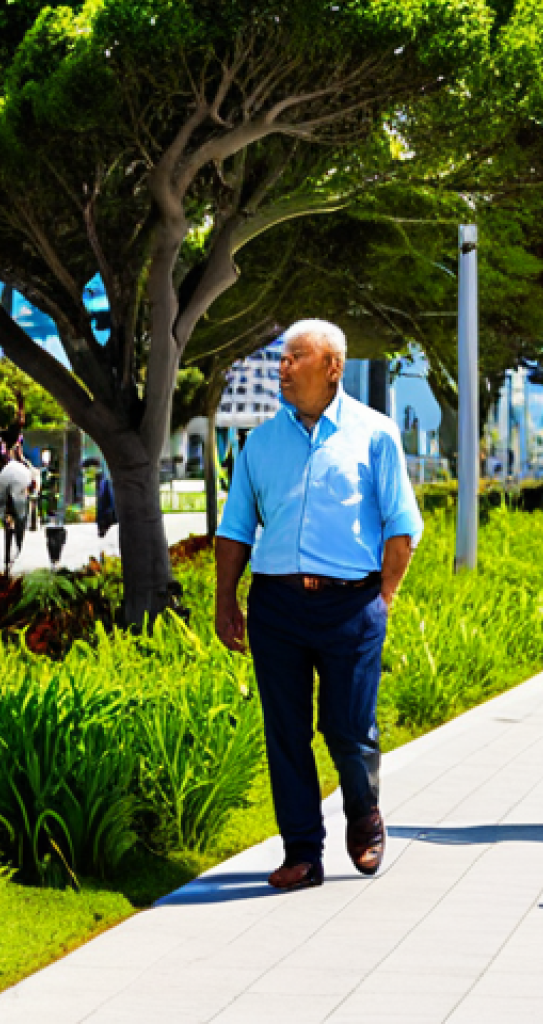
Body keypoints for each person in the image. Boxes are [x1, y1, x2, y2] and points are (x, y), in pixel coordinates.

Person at [215, 319, 423, 892]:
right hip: (276, 604)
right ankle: (303, 852)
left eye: (295, 358)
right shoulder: (259, 442)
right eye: (281, 359)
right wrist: (225, 599)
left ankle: (364, 812)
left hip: (351, 605)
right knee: (285, 729)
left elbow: (402, 527)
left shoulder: (375, 434)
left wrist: (383, 597)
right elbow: (235, 529)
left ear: (333, 366)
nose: (282, 368)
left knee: (349, 728)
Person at [0, 457, 35, 569]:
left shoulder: (4, 475)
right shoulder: (24, 472)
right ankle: (15, 553)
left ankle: (8, 558)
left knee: (8, 533)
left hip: (8, 509)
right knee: (17, 531)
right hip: (14, 509)